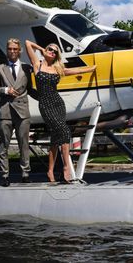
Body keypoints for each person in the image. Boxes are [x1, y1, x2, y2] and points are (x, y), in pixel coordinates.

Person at [25, 39, 96, 183]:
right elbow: (27, 43)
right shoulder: (37, 64)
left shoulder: (58, 68)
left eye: (55, 51)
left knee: (55, 139)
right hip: (45, 104)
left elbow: (76, 70)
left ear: (57, 55)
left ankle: (50, 170)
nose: (51, 52)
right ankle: (66, 168)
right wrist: (42, 49)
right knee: (64, 131)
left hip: (58, 104)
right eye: (49, 49)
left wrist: (92, 68)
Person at [0, 38, 37, 187]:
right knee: (3, 145)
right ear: (7, 50)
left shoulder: (26, 68)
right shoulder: (0, 68)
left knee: (24, 144)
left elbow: (30, 89)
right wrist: (5, 90)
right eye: (10, 49)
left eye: (15, 49)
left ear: (19, 51)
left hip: (22, 112)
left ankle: (25, 174)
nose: (12, 51)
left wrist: (45, 96)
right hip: (6, 111)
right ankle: (4, 175)